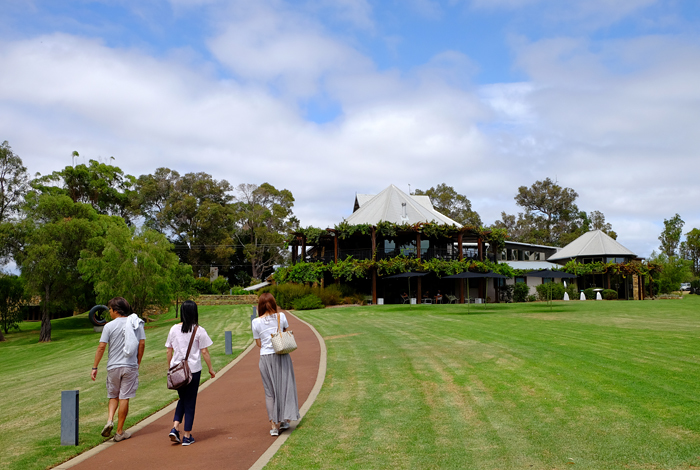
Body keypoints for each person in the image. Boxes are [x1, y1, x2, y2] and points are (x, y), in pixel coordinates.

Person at [91, 297, 146, 442]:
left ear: (116, 310)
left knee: (113, 396)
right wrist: (138, 361)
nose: (109, 312)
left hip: (113, 366)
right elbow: (141, 344)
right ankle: (119, 432)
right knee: (124, 398)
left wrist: (95, 367)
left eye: (110, 309)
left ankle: (109, 420)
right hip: (130, 366)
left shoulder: (109, 326)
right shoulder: (136, 323)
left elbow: (101, 347)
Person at [165, 300, 215, 446]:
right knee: (190, 402)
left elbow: (169, 350)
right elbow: (204, 351)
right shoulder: (198, 330)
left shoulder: (174, 329)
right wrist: (210, 368)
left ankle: (175, 427)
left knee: (183, 398)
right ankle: (186, 435)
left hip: (177, 370)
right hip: (193, 370)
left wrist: (170, 368)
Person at [251, 293, 300, 436]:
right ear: (273, 303)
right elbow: (284, 334)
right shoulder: (281, 317)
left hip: (265, 358)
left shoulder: (256, 322)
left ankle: (273, 425)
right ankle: (285, 419)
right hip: (282, 355)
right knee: (285, 387)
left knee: (269, 392)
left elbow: (258, 343)